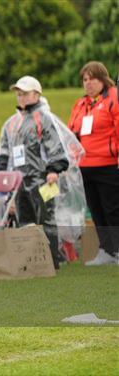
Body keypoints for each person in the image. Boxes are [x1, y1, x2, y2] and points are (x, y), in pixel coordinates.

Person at [0, 76, 69, 269]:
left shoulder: (44, 118)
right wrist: (4, 173)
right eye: (18, 94)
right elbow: (4, 150)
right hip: (19, 180)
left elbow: (55, 145)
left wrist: (54, 169)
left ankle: (52, 260)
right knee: (24, 219)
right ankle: (30, 260)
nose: (20, 97)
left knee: (46, 219)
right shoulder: (11, 123)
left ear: (36, 94)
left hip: (44, 179)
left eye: (25, 93)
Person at [67, 62, 119, 265]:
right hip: (85, 166)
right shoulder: (80, 104)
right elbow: (71, 133)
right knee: (96, 211)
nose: (88, 83)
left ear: (103, 78)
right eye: (85, 79)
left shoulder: (113, 98)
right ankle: (107, 250)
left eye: (92, 78)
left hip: (109, 164)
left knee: (113, 210)